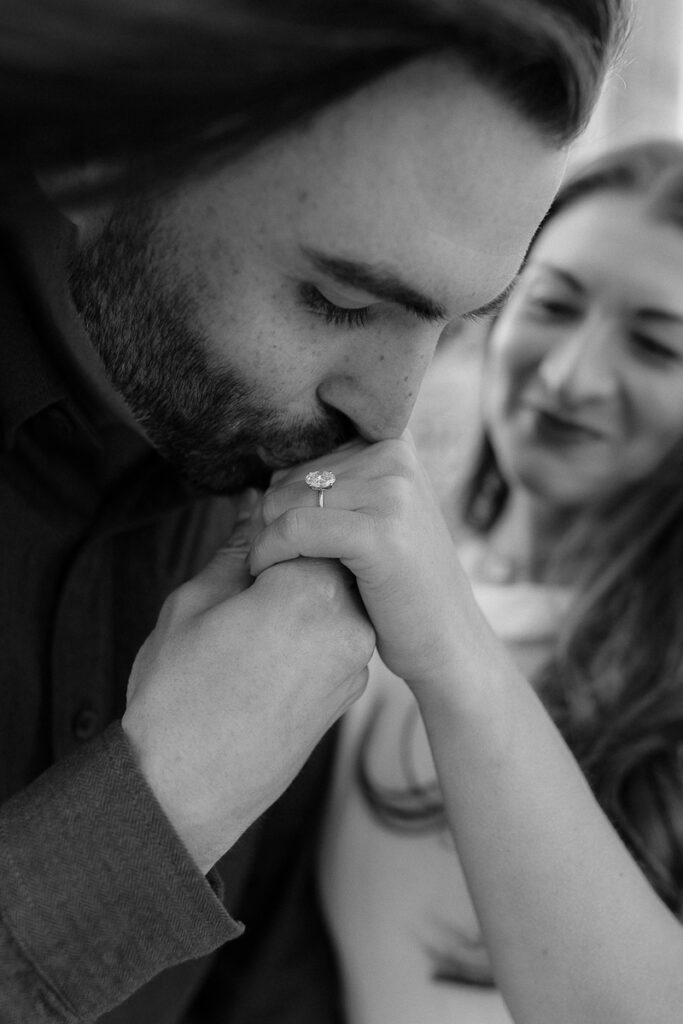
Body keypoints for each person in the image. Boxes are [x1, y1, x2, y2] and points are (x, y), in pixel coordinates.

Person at [0, 2, 626, 1022]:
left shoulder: (279, 506)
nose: (390, 417)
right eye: (340, 301)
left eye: (458, 324)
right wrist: (154, 811)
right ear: (90, 151)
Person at [255, 138, 683, 1024]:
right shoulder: (385, 574)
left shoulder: (444, 622)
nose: (569, 376)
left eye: (654, 344)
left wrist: (454, 647)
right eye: (552, 305)